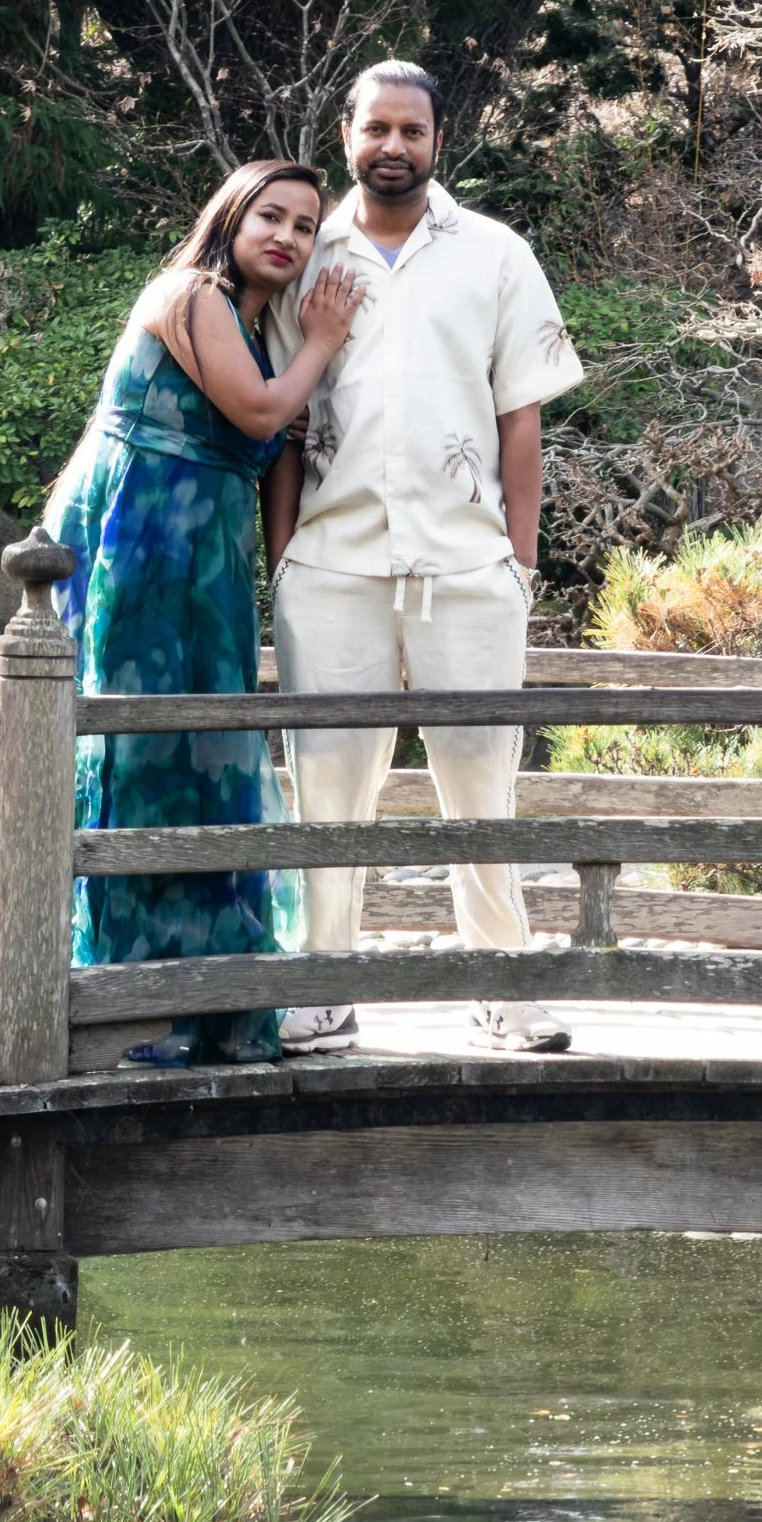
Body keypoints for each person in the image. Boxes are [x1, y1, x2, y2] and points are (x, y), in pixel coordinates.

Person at [264, 61, 587, 1055]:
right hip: (334, 565)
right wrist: (284, 560)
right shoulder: (305, 258)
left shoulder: (493, 252)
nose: (393, 145)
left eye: (412, 128)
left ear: (438, 140)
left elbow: (520, 416)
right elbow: (279, 423)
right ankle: (322, 989)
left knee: (482, 782)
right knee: (324, 787)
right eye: (376, 128)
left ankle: (501, 988)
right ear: (346, 133)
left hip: (465, 565)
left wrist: (518, 562)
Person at [44, 160, 366, 1064]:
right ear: (230, 215)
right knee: (142, 756)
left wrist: (283, 578)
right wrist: (326, 338)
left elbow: (271, 460)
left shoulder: (263, 332)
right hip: (141, 547)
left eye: (306, 227)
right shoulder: (188, 294)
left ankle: (214, 1000)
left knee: (215, 759)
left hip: (209, 570)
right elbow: (263, 415)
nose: (289, 238)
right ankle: (125, 1003)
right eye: (272, 215)